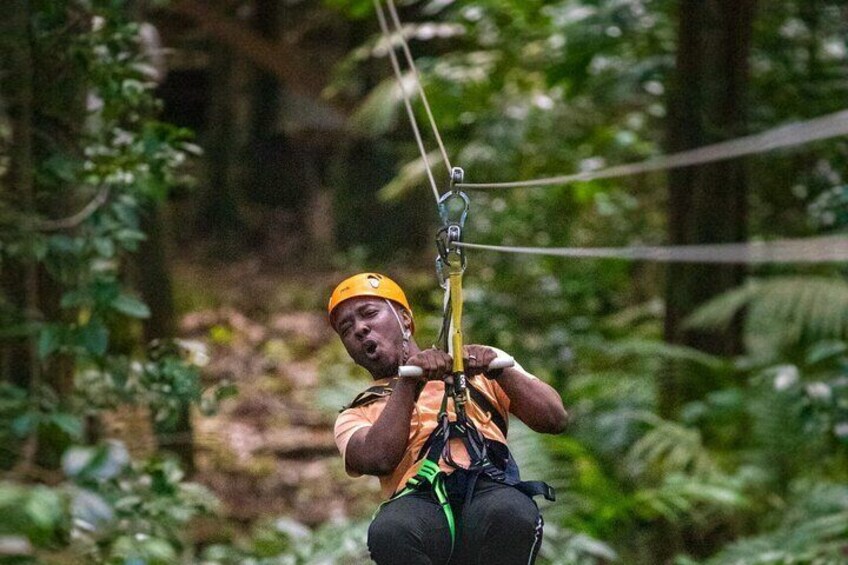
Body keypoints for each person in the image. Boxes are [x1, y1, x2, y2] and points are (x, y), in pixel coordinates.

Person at [330, 272, 568, 564]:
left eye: (369, 313)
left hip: (487, 486)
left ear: (405, 318)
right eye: (346, 328)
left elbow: (554, 418)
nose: (360, 329)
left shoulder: (481, 368)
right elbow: (378, 458)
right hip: (418, 503)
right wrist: (409, 383)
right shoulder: (356, 414)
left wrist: (499, 371)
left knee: (512, 514)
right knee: (390, 532)